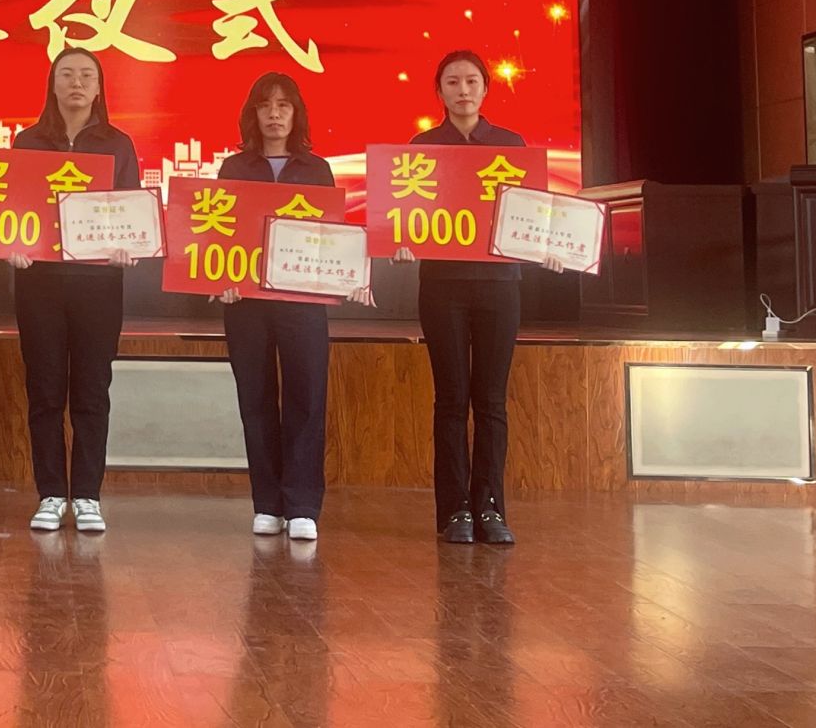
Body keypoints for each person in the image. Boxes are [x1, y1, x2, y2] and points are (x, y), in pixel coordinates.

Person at [393, 49, 559, 547]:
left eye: (471, 81)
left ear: (486, 88)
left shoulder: (511, 146)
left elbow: (532, 216)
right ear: (439, 91)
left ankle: (490, 507)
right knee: (450, 400)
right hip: (441, 288)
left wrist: (548, 245)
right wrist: (399, 241)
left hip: (499, 287)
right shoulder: (422, 148)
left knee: (490, 401)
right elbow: (404, 216)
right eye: (452, 82)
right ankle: (455, 511)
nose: (462, 90)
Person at [214, 71, 371, 543]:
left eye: (283, 105)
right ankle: (267, 503)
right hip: (246, 304)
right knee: (255, 398)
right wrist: (219, 279)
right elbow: (218, 233)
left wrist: (353, 274)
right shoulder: (234, 168)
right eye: (265, 105)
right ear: (253, 114)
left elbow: (331, 237)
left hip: (303, 302)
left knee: (306, 397)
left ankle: (302, 505)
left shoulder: (316, 169)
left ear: (296, 113)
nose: (274, 114)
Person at [9, 49, 142, 535]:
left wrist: (128, 245)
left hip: (98, 285)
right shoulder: (27, 141)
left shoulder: (118, 144)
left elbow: (133, 210)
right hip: (38, 282)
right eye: (67, 74)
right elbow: (8, 207)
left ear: (100, 87)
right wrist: (10, 245)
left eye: (87, 75)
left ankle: (86, 494)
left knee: (91, 390)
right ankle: (50, 493)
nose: (77, 83)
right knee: (44, 391)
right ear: (53, 84)